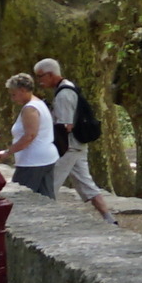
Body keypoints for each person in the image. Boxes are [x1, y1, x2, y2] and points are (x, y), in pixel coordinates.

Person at [36, 54, 110, 217]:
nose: (39, 81)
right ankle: (110, 219)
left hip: (68, 146)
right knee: (87, 185)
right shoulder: (68, 87)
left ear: (50, 74)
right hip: (76, 145)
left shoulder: (63, 94)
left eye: (40, 76)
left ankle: (46, 219)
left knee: (48, 183)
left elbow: (66, 126)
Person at [5, 72, 57, 196]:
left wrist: (8, 152)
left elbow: (30, 136)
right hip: (45, 158)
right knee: (46, 198)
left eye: (14, 94)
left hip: (33, 161)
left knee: (20, 197)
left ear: (22, 90)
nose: (13, 99)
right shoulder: (39, 104)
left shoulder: (30, 109)